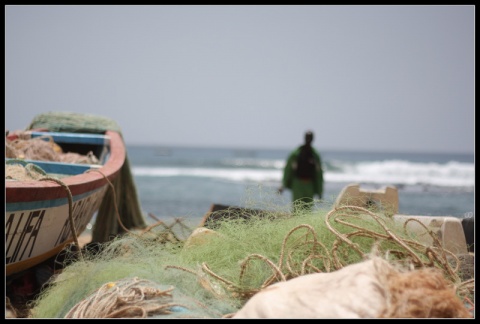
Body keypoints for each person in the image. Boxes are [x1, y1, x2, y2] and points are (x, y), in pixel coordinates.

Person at [278, 131, 324, 213]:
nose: (308, 139)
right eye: (307, 137)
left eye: (310, 137)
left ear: (313, 139)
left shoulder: (315, 154)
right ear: (304, 138)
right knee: (296, 210)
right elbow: (288, 169)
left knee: (308, 211)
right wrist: (283, 184)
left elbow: (319, 174)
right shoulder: (296, 152)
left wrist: (320, 191)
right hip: (297, 184)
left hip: (310, 185)